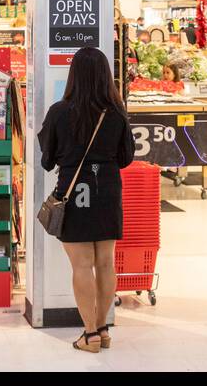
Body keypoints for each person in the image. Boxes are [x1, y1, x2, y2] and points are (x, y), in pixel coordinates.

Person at [38, 46, 135, 353]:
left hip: (73, 193)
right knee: (106, 264)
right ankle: (104, 329)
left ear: (74, 75)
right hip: (106, 190)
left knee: (82, 266)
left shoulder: (59, 112)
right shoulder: (116, 112)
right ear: (105, 75)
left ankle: (90, 334)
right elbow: (126, 158)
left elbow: (47, 161)